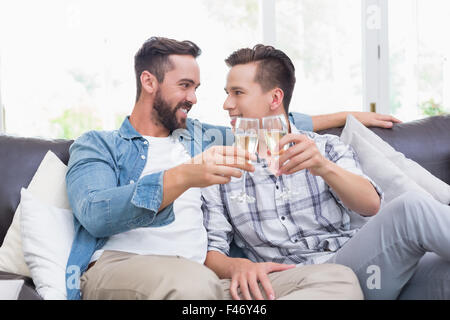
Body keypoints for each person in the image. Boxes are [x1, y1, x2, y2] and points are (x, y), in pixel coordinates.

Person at [65, 36, 392, 300]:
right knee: (191, 287)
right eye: (184, 85)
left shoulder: (204, 138)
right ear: (149, 82)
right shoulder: (99, 144)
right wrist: (182, 176)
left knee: (337, 281)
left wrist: (344, 117)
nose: (193, 98)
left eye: (196, 88)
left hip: (206, 281)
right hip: (125, 265)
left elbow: (270, 119)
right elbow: (95, 213)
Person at [201, 44, 450, 300]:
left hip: (359, 267)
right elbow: (213, 250)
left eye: (237, 93)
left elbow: (370, 206)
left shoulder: (327, 147)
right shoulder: (221, 169)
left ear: (275, 98)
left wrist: (324, 167)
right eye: (227, 93)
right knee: (411, 208)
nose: (226, 104)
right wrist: (237, 266)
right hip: (297, 282)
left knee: (431, 245)